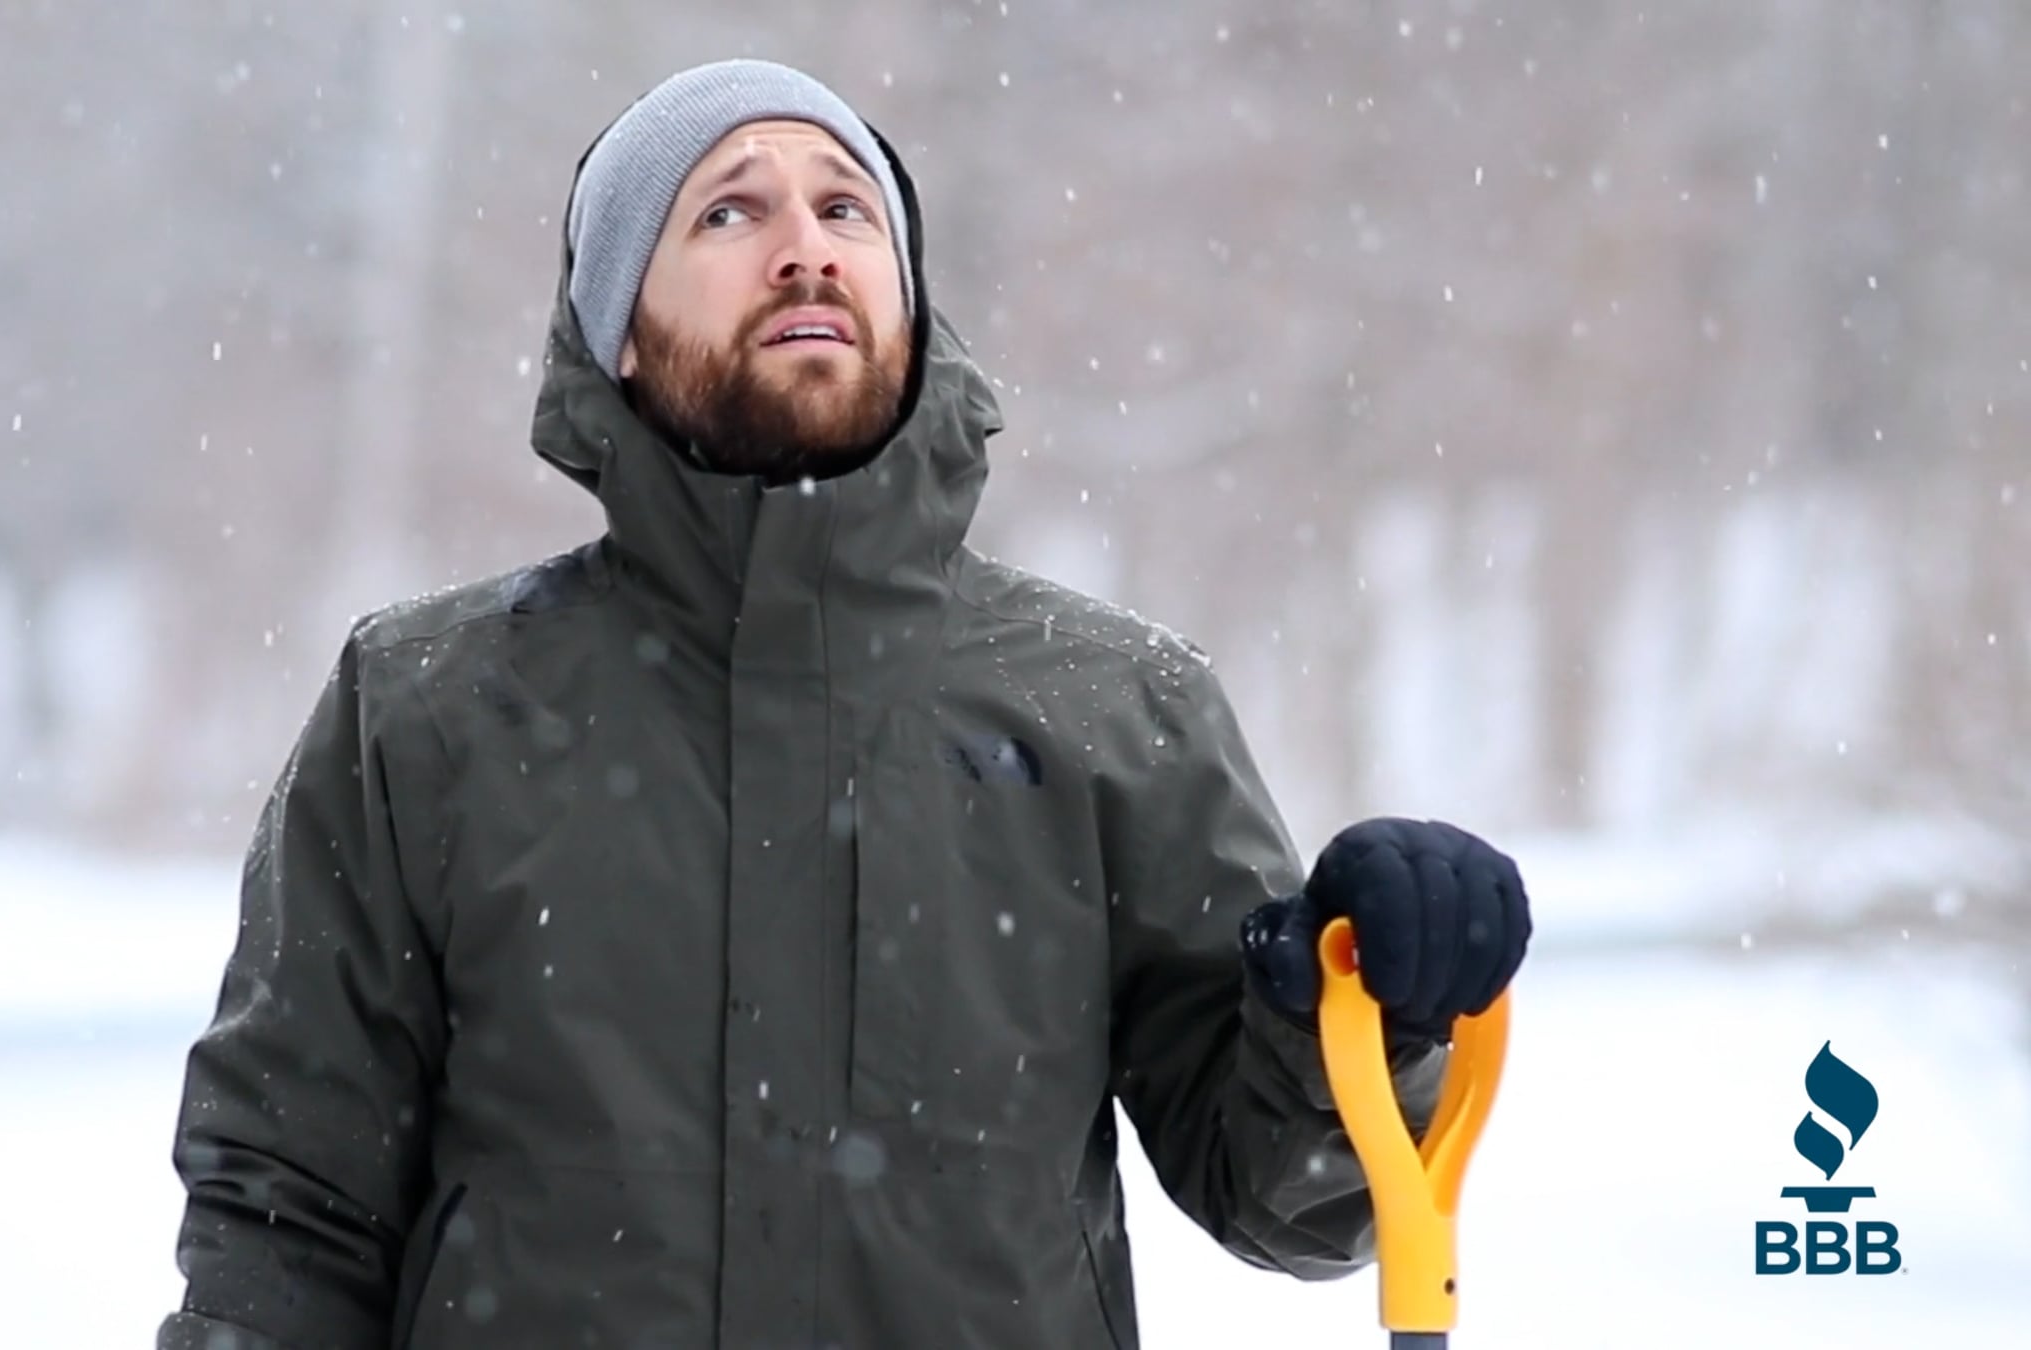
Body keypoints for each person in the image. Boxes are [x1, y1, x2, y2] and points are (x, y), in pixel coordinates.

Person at [157, 57, 1533, 1350]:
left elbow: (1292, 1195)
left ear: (908, 302)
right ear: (617, 334)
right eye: (727, 210)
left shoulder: (1112, 708)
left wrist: (1361, 1006)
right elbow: (284, 1205)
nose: (803, 246)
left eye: (844, 207)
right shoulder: (425, 711)